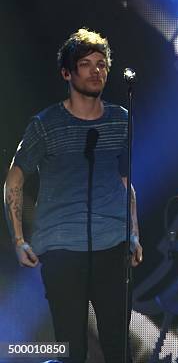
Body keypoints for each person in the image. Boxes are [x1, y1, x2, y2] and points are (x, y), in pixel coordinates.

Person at [3, 28, 143, 363]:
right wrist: (19, 239)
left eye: (102, 64)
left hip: (113, 246)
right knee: (71, 350)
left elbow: (125, 180)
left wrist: (134, 233)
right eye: (86, 64)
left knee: (117, 349)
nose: (97, 71)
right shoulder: (46, 124)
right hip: (62, 249)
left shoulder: (120, 120)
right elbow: (13, 180)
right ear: (67, 72)